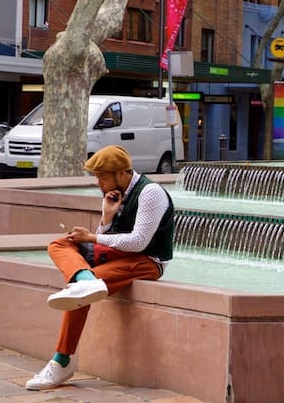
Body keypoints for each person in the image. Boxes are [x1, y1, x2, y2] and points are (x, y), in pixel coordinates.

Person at [25, 145, 175, 391]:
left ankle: (61, 362)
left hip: (147, 261)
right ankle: (85, 278)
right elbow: (109, 238)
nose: (97, 182)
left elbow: (139, 242)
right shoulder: (116, 194)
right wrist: (107, 217)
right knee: (60, 243)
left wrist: (93, 238)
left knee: (78, 293)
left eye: (101, 176)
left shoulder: (150, 193)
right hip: (119, 254)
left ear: (121, 173)